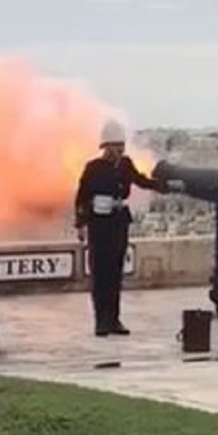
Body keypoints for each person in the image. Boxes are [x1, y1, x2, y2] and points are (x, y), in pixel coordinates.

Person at [74, 120, 160, 336]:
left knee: (115, 274)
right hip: (99, 224)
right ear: (106, 147)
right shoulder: (93, 168)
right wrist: (80, 224)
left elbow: (140, 180)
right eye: (115, 147)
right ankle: (100, 321)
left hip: (118, 222)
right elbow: (82, 197)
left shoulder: (125, 165)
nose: (119, 151)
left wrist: (163, 185)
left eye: (121, 147)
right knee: (100, 273)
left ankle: (114, 319)